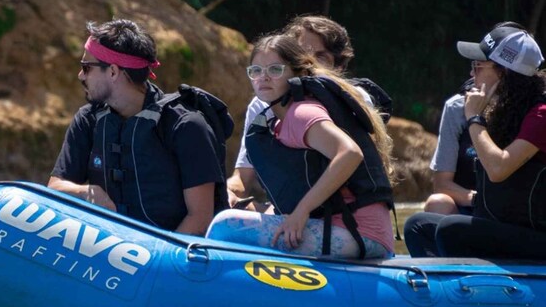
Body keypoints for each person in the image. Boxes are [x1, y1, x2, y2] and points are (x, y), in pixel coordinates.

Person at [207, 34, 396, 259]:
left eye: (275, 70)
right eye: (255, 71)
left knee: (226, 226)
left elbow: (349, 153)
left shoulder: (302, 113)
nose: (263, 77)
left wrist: (301, 212)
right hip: (343, 228)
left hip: (359, 234)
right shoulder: (277, 119)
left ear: (298, 73)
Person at [48, 19, 225, 235]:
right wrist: (86, 192)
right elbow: (55, 187)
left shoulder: (186, 125)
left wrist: (155, 263)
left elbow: (200, 217)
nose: (80, 75)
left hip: (169, 258)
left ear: (113, 72)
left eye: (86, 67)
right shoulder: (87, 120)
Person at [404, 23, 546, 258]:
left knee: (453, 230)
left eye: (478, 67)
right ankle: (442, 288)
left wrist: (474, 118)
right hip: (501, 220)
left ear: (504, 73)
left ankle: (473, 288)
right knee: (418, 225)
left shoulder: (540, 114)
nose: (471, 75)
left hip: (535, 232)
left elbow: (498, 168)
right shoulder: (503, 110)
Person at [227, 15, 391, 211]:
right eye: (299, 53)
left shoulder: (352, 98)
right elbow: (242, 178)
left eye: (320, 56)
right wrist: (227, 193)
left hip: (342, 211)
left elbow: (353, 158)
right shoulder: (262, 103)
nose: (308, 62)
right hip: (291, 206)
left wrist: (300, 212)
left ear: (339, 66)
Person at [421, 78, 477, 215]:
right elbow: (442, 185)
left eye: (479, 67)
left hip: (511, 207)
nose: (472, 73)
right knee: (438, 203)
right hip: (472, 203)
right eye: (473, 66)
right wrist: (480, 200)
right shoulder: (456, 106)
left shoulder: (529, 106)